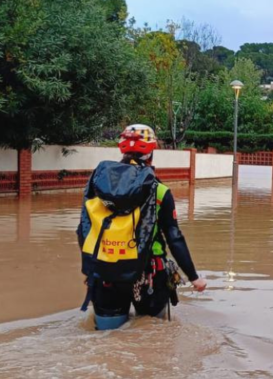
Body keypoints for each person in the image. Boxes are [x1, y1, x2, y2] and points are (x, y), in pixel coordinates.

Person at [77, 124, 206, 329]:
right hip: (150, 275)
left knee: (106, 339)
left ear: (122, 150)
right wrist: (194, 277)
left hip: (106, 273)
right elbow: (173, 237)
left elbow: (84, 230)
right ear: (151, 153)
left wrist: (92, 267)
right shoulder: (160, 191)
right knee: (152, 333)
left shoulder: (99, 188)